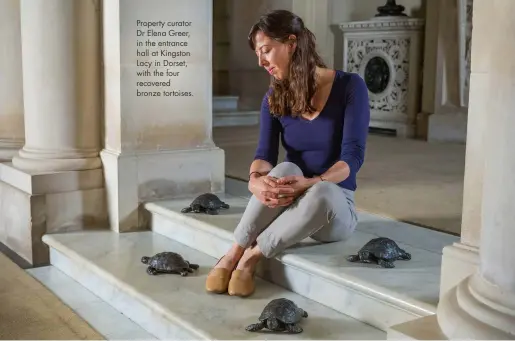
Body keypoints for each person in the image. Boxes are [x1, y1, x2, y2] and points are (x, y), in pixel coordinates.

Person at [205, 9, 370, 297]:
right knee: (282, 170)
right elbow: (264, 152)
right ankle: (234, 251)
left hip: (333, 208)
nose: (261, 61)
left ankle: (252, 257)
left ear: (291, 43)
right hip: (290, 197)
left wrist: (312, 182)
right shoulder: (273, 97)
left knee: (323, 191)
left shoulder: (350, 86)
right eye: (258, 54)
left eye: (266, 50)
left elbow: (353, 158)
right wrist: (254, 179)